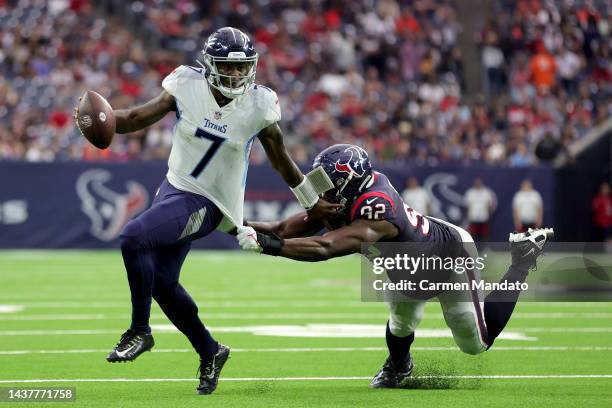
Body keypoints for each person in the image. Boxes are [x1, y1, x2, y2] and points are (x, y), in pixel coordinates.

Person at [73, 27, 340, 395]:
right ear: (210, 65)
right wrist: (100, 119)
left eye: (242, 67)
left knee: (133, 236)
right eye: (227, 68)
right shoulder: (186, 84)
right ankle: (211, 351)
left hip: (212, 203)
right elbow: (136, 117)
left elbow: (281, 159)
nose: (235, 75)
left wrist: (311, 199)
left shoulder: (259, 105)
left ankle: (139, 330)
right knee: (164, 285)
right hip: (173, 190)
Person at [235, 144, 553, 388]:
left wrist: (270, 247)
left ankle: (522, 262)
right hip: (405, 266)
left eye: (326, 181)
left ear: (347, 184)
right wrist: (235, 224)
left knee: (475, 343)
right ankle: (399, 367)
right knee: (401, 323)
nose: (318, 187)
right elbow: (281, 229)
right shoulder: (342, 197)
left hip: (447, 258)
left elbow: (324, 247)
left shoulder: (377, 208)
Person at [464, 178, 496, 243]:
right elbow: (467, 205)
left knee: (484, 233)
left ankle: (484, 247)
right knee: (472, 233)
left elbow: (490, 204)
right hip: (473, 217)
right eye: (476, 183)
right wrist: (468, 215)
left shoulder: (486, 192)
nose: (478, 184)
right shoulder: (470, 192)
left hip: (483, 216)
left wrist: (488, 214)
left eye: (479, 183)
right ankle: (473, 247)